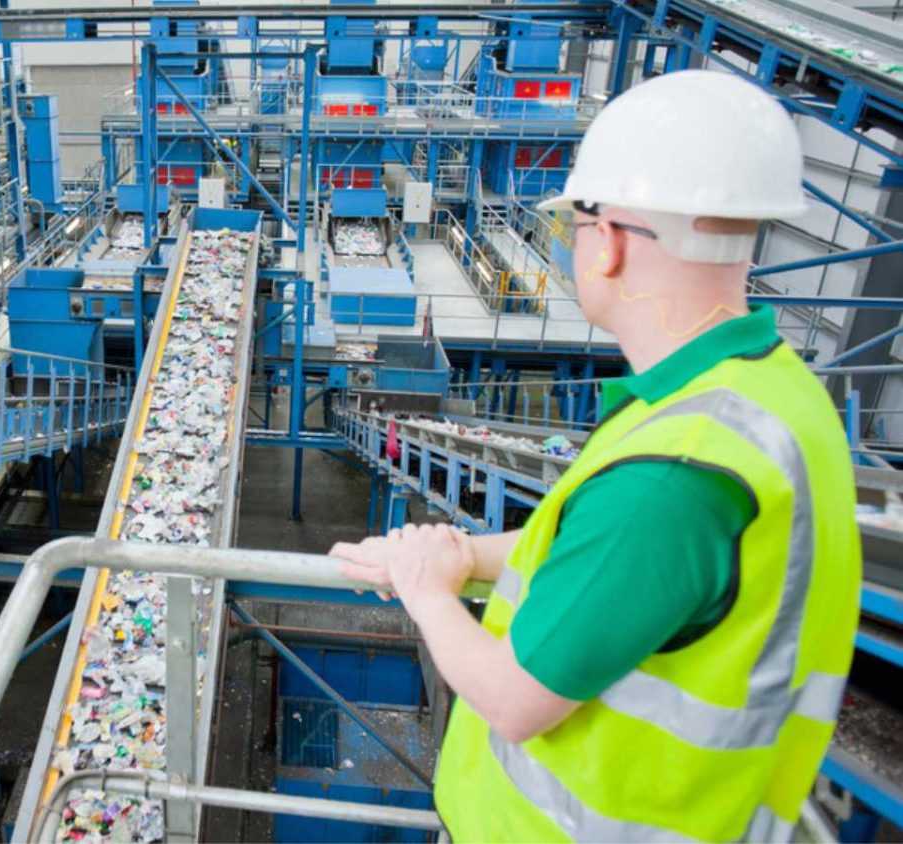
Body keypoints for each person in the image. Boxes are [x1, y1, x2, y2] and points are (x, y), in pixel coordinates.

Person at [331, 69, 862, 842]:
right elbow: (600, 554)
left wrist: (428, 588)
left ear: (607, 241)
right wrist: (469, 551)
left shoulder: (675, 477)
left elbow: (514, 701)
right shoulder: (768, 394)